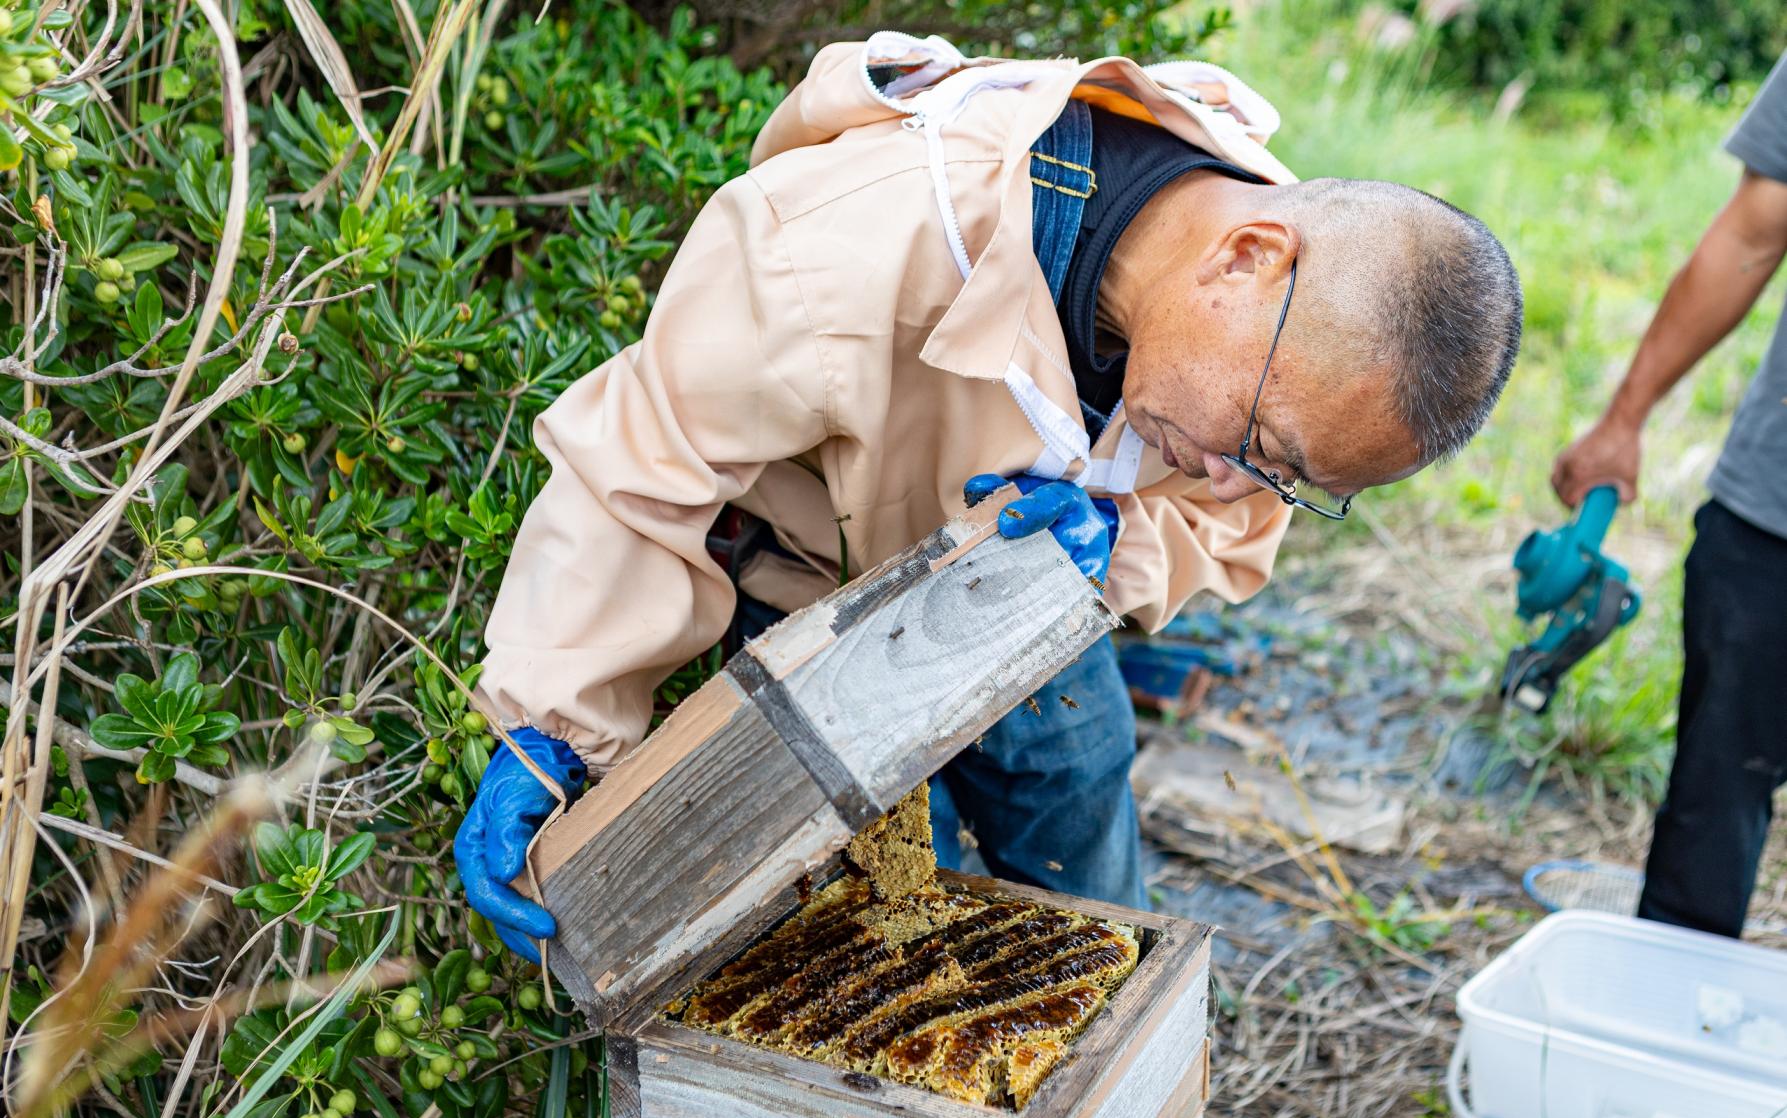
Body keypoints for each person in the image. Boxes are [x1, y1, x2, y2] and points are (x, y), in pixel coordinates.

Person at [454, 34, 1524, 961]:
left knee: (1083, 829)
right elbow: (642, 461)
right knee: (837, 929)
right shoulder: (848, 242)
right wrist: (550, 725)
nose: (1239, 481)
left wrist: (1115, 536)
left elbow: (1225, 522)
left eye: (1290, 476)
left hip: (1041, 608)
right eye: (1260, 445)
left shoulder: (1298, 324)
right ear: (1242, 261)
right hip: (804, 596)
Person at [1552, 51, 1787, 940]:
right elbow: (1751, 232)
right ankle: (1659, 1059)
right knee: (1709, 816)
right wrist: (1623, 417)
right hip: (1774, 519)